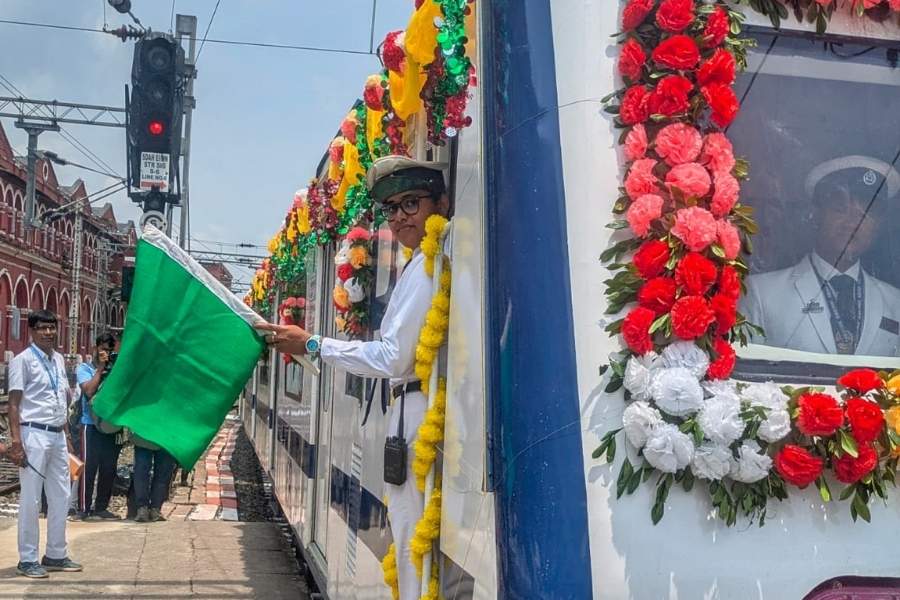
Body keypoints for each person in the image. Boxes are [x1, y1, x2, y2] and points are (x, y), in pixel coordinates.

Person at [255, 156, 449, 600]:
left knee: (409, 543)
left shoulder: (425, 270)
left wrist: (312, 344)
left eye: (411, 204)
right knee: (406, 541)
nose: (399, 217)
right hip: (409, 412)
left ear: (440, 202)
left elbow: (392, 359)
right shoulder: (418, 263)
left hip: (415, 416)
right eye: (391, 209)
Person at [743, 155, 900, 356]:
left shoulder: (895, 303)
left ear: (877, 227)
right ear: (816, 214)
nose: (852, 222)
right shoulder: (761, 294)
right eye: (840, 208)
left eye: (864, 214)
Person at [7, 310, 83, 578]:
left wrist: (67, 437)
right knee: (30, 498)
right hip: (33, 434)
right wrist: (16, 442)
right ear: (32, 331)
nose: (49, 332)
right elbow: (14, 404)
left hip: (57, 435)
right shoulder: (22, 361)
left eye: (52, 327)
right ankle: (27, 558)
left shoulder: (59, 360)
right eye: (43, 328)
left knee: (60, 495)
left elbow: (59, 399)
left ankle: (56, 553)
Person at [73, 332, 121, 520]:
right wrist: (101, 369)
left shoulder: (117, 370)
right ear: (95, 349)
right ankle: (84, 509)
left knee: (109, 468)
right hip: (89, 425)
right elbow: (88, 390)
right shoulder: (84, 368)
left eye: (110, 351)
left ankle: (101, 507)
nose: (106, 354)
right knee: (88, 468)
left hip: (110, 426)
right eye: (103, 349)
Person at [131, 435, 177, 523]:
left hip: (165, 437)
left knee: (161, 473)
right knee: (142, 471)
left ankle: (154, 508)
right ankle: (144, 508)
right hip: (147, 435)